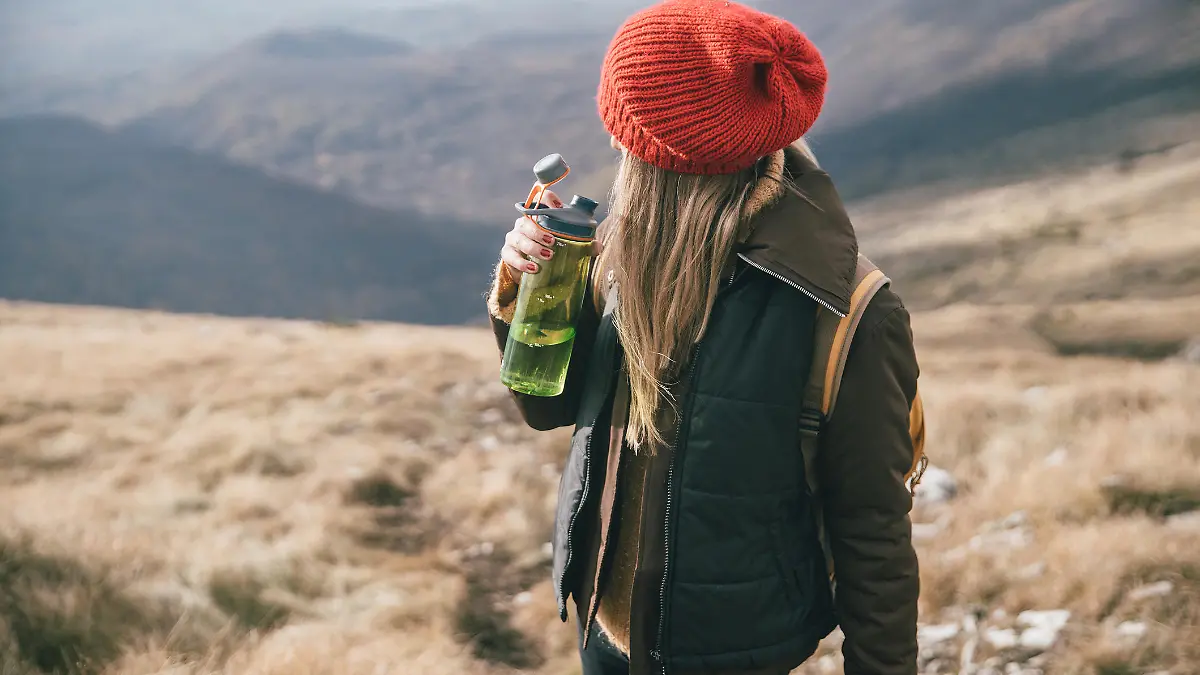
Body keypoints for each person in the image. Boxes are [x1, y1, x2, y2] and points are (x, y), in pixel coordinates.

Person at [485, 1, 920, 673]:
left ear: (662, 157)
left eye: (625, 132)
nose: (615, 147)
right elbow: (548, 407)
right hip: (605, 633)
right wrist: (525, 291)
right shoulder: (619, 254)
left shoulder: (844, 309)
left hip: (735, 655)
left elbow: (874, 533)